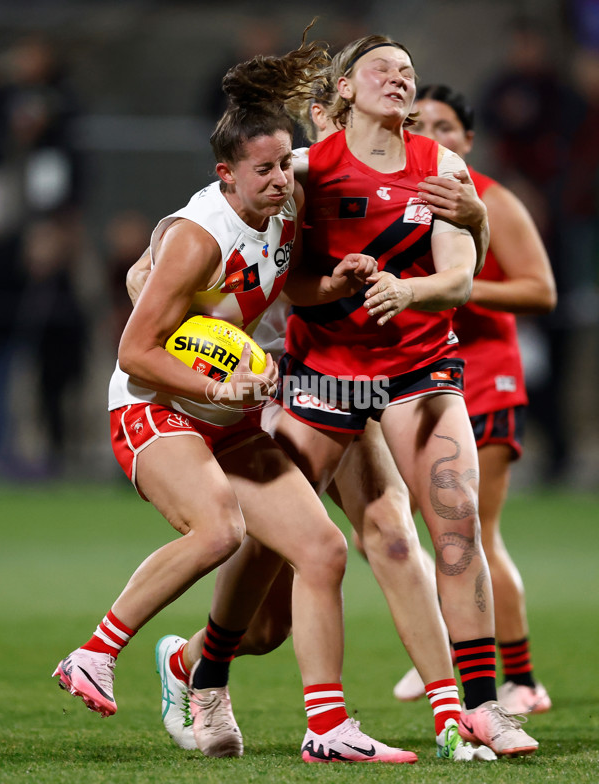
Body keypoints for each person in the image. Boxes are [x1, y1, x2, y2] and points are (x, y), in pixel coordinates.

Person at [148, 36, 539, 760]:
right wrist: (154, 279)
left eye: (410, 72)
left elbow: (457, 279)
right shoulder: (298, 172)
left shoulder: (441, 169)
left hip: (416, 369)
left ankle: (473, 708)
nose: (400, 77)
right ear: (345, 92)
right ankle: (201, 665)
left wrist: (425, 275)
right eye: (382, 68)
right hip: (320, 373)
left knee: (433, 529)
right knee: (271, 573)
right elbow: (205, 232)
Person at [52, 33, 418, 766]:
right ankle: (94, 652)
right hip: (154, 406)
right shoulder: (197, 236)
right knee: (217, 530)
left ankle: (327, 729)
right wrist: (221, 381)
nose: (284, 179)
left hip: (230, 409)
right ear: (226, 174)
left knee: (319, 552)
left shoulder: (286, 202)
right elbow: (136, 352)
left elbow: (281, 285)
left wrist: (333, 285)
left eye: (288, 163)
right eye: (266, 169)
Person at [391, 83, 556, 714]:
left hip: (486, 373)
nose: (430, 134)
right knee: (401, 525)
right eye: (418, 123)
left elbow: (540, 290)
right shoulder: (401, 195)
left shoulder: (490, 198)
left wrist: (454, 286)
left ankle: (519, 679)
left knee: (474, 532)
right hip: (422, 374)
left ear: (468, 138)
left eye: (444, 125)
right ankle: (444, 655)